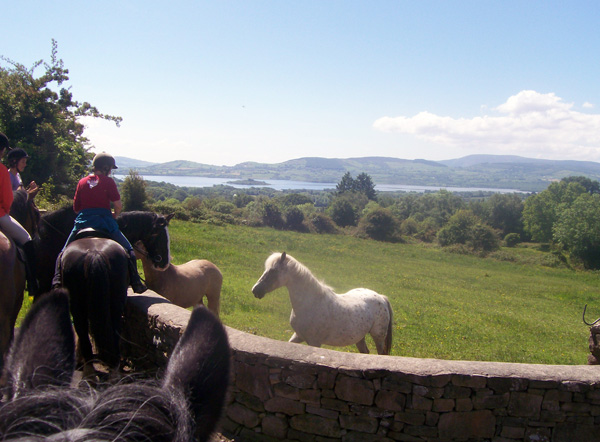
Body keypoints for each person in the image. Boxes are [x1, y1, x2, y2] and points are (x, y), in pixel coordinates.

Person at [52, 152, 147, 293]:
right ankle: (135, 281)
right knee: (129, 250)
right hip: (105, 222)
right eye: (110, 169)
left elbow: (76, 208)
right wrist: (115, 214)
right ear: (106, 168)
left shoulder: (82, 182)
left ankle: (57, 280)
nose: (110, 172)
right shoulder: (108, 182)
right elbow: (118, 205)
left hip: (83, 223)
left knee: (63, 252)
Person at [0, 133, 39, 296]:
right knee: (27, 239)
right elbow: (8, 200)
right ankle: (32, 282)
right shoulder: (2, 170)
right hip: (1, 216)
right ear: (2, 150)